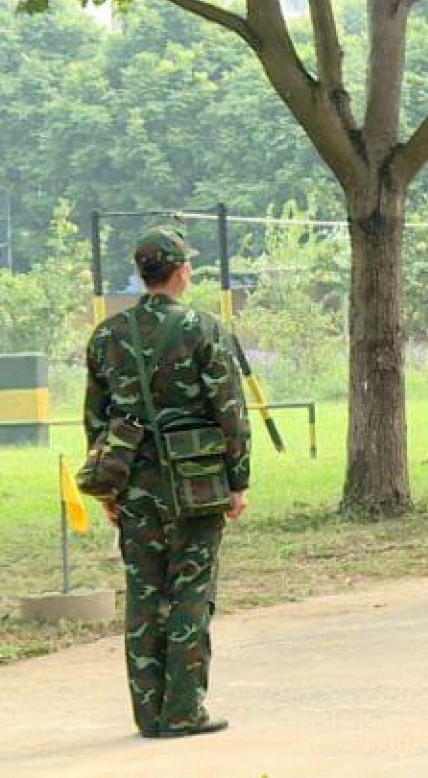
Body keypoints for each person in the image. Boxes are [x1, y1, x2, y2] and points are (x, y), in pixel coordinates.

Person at [83, 226, 249, 738]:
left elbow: (96, 418)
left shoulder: (107, 335)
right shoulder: (204, 329)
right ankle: (184, 710)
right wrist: (237, 480)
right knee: (191, 590)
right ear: (180, 271)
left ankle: (148, 712)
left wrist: (109, 487)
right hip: (196, 482)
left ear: (141, 272)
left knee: (143, 591)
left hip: (132, 481)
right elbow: (230, 413)